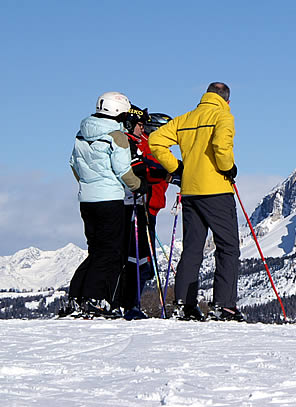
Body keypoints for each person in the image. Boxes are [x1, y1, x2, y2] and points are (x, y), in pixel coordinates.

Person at [148, 82, 243, 321]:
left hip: (189, 191)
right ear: (227, 100)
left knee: (191, 249)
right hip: (217, 191)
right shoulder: (223, 116)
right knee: (227, 248)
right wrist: (228, 168)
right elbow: (221, 147)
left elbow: (155, 141)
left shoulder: (185, 119)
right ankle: (224, 306)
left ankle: (184, 304)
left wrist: (176, 168)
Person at [65, 92, 144, 318]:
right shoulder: (117, 136)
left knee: (96, 250)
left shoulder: (81, 133)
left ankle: (77, 298)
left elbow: (73, 164)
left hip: (87, 200)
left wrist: (88, 183)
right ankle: (94, 299)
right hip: (109, 200)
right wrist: (139, 185)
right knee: (110, 252)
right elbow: (123, 171)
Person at [121, 107, 173, 319]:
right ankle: (130, 305)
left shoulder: (152, 147)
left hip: (150, 207)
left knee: (143, 262)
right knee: (141, 262)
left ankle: (132, 304)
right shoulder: (148, 147)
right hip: (142, 208)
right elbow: (150, 171)